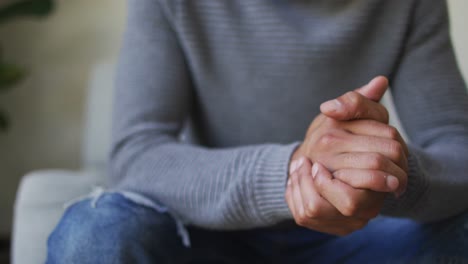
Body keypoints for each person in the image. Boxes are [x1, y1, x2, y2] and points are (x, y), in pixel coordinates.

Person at [46, 0, 468, 263]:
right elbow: (135, 154)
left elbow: (458, 147)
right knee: (93, 232)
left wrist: (385, 173)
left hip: (358, 239)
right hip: (209, 235)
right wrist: (291, 172)